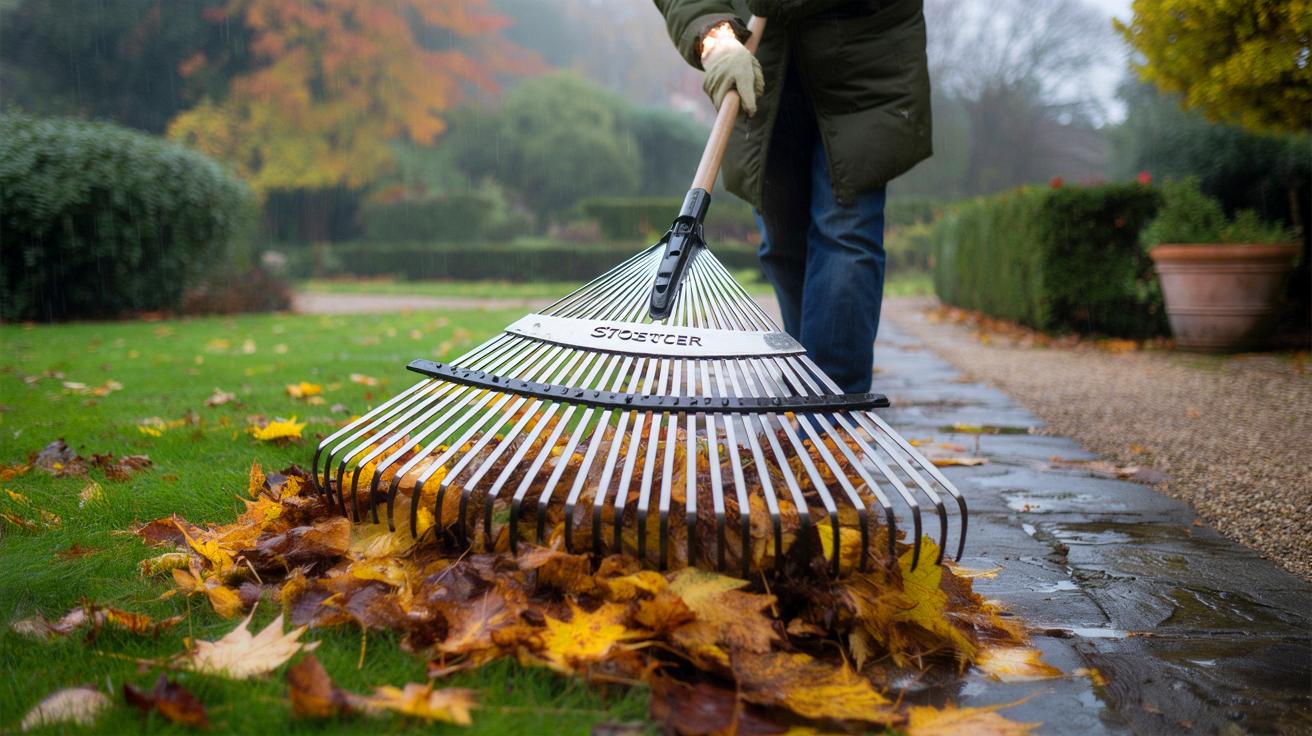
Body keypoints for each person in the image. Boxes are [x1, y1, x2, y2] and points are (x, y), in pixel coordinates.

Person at [654, 0, 932, 393]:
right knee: (782, 245)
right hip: (761, 57)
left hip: (867, 58)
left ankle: (832, 422)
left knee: (845, 233)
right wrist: (715, 37)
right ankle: (807, 390)